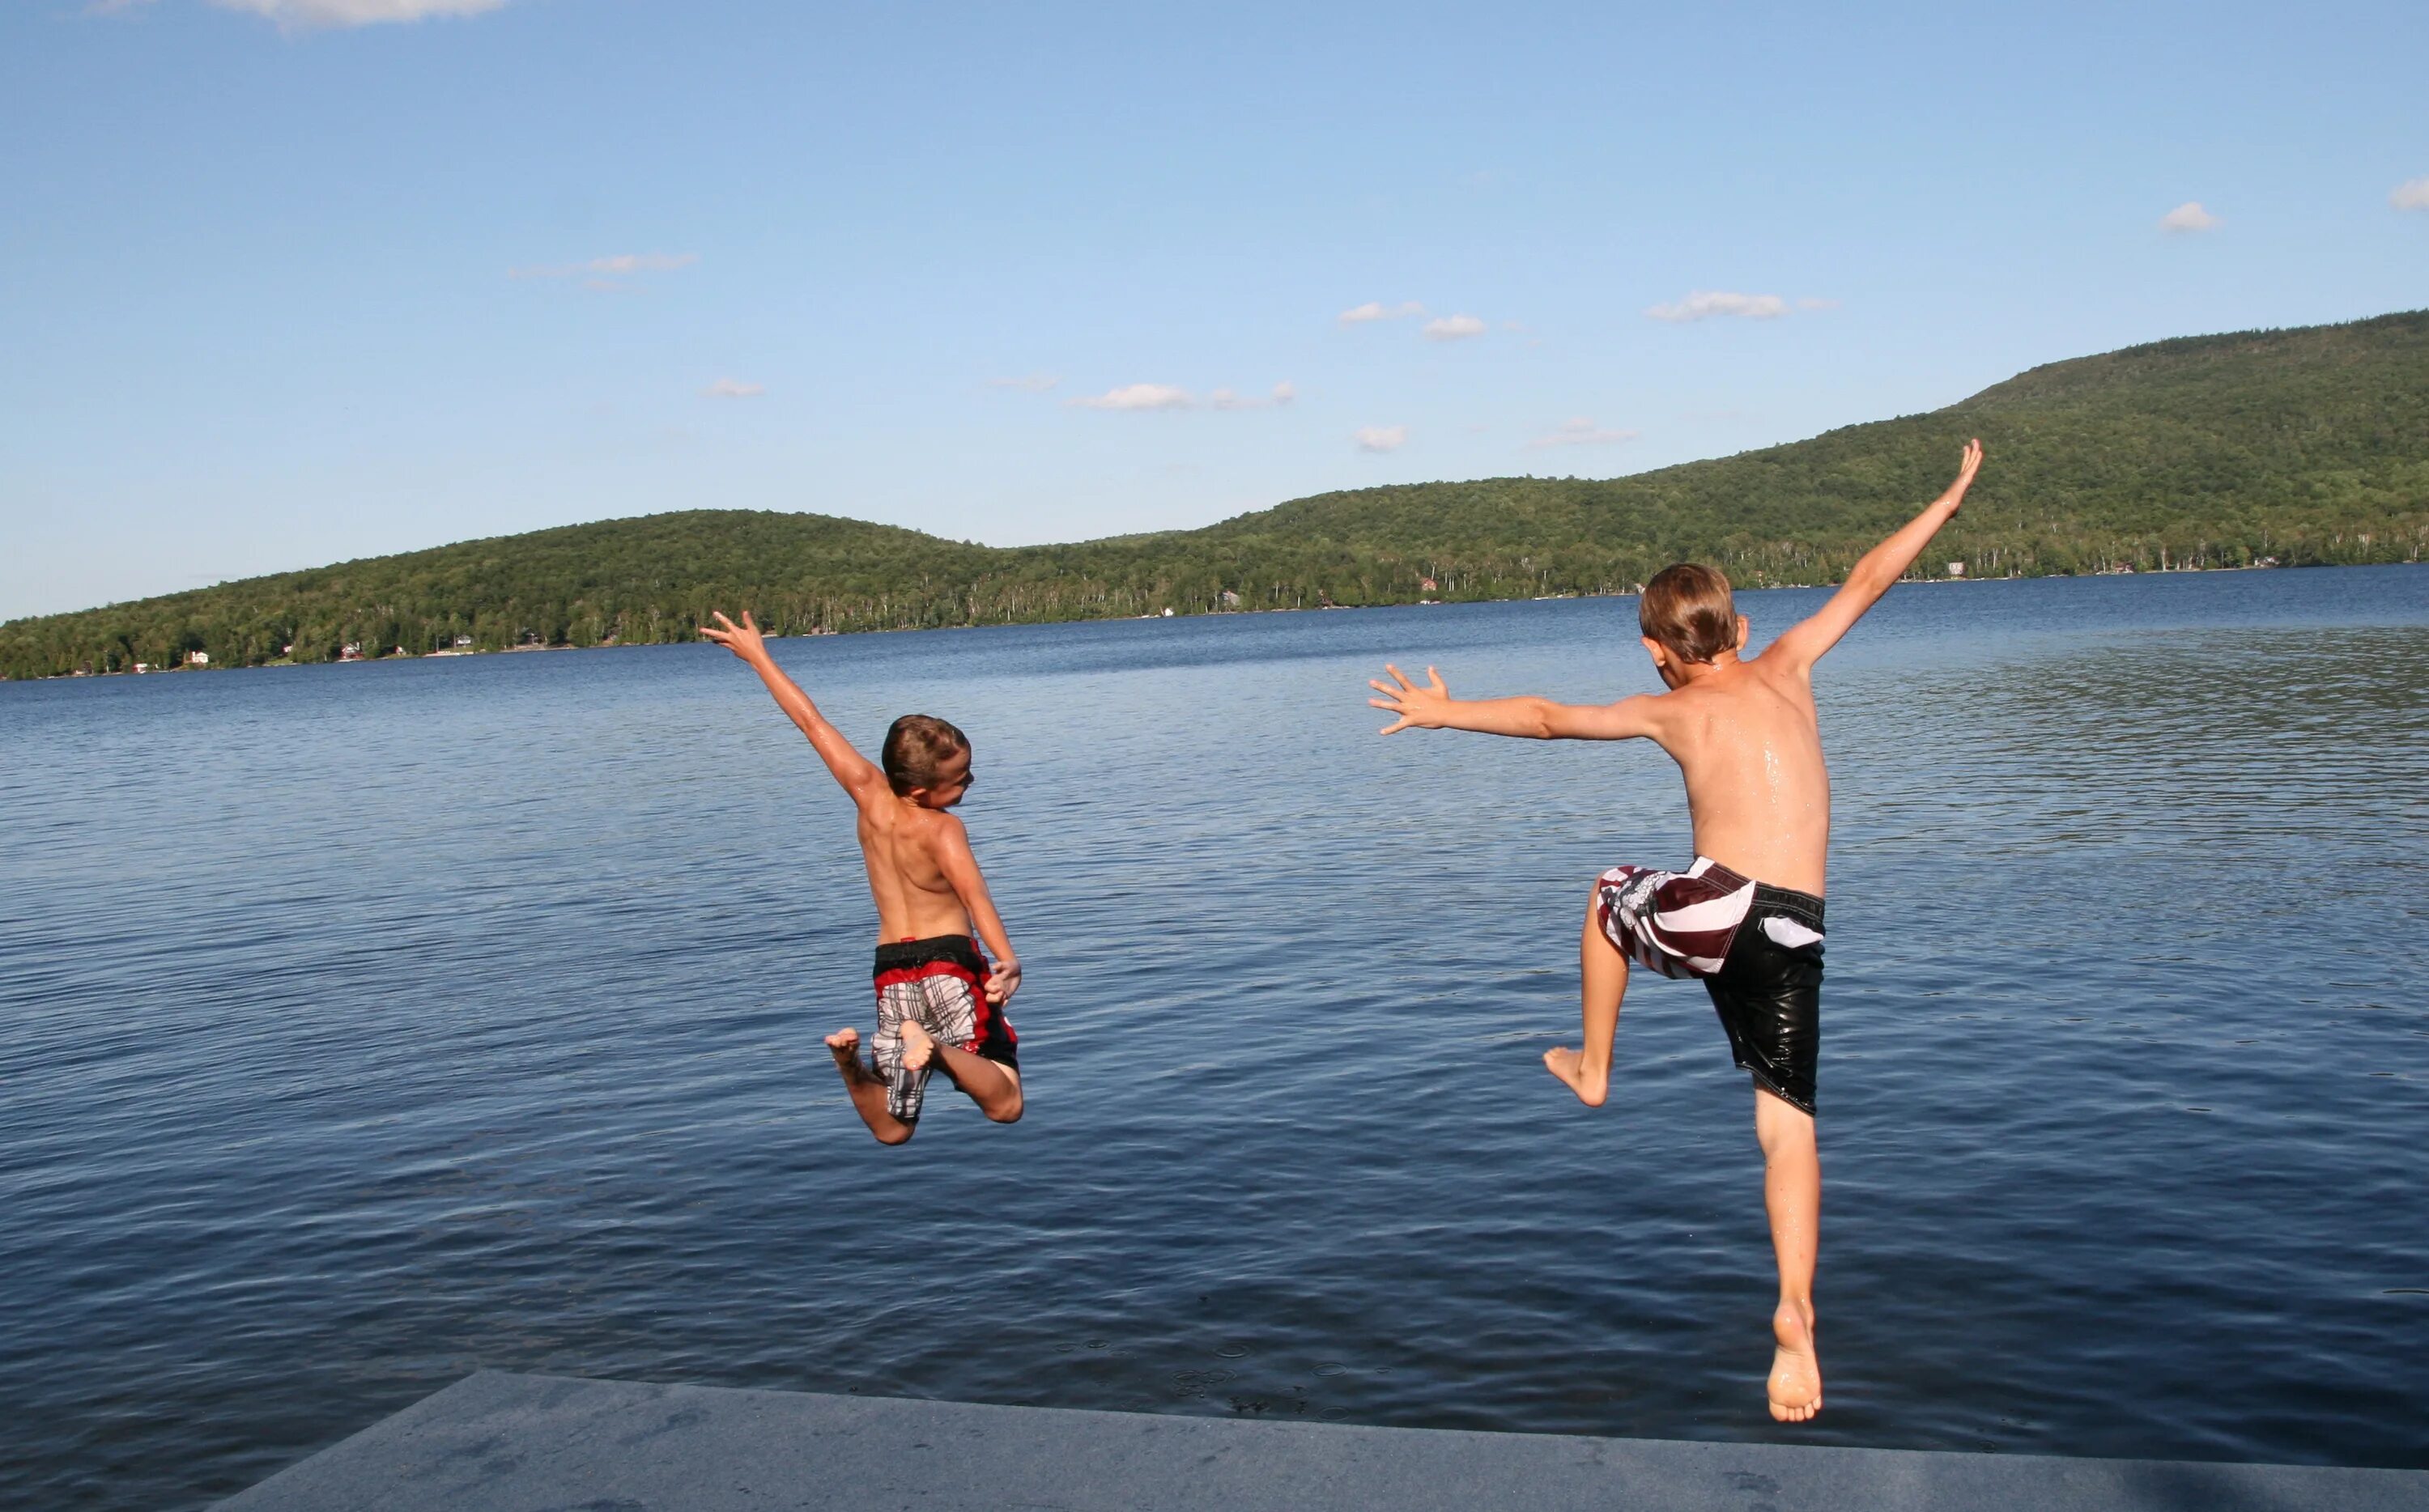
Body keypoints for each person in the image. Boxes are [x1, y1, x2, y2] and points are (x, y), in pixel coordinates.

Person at [1367, 440, 1985, 1423]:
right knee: (1788, 1128)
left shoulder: (1669, 709)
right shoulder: (1791, 661)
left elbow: (1543, 717)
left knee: (1608, 889)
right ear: (1743, 625)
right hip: (1797, 930)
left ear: (1658, 650)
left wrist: (1443, 712)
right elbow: (1872, 574)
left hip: (1719, 906)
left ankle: (1597, 1065)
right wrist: (1947, 499)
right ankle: (1796, 1314)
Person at [700, 610, 1023, 1144]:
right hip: (949, 963)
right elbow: (974, 896)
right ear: (922, 793)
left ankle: (849, 1062)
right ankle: (939, 1048)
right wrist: (1007, 959)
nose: (970, 782)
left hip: (892, 969)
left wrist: (759, 657)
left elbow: (812, 723)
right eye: (960, 778)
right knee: (1005, 1102)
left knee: (894, 1130)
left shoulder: (868, 795)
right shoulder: (942, 829)